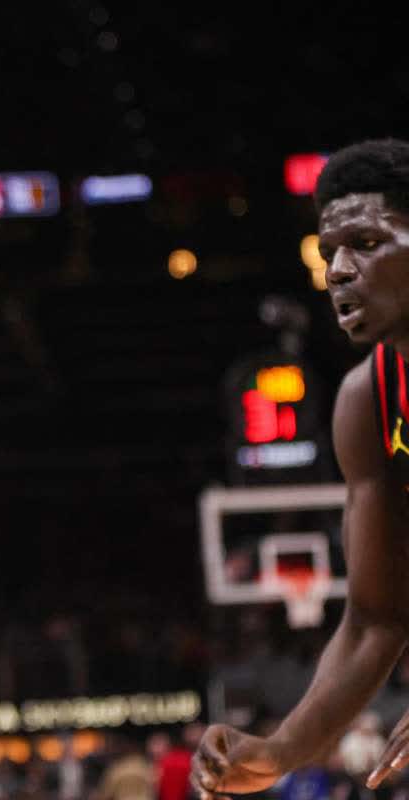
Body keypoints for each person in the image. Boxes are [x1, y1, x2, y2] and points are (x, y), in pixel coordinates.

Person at [191, 138, 409, 798]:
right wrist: (282, 748)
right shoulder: (368, 399)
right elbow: (377, 618)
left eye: (367, 243)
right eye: (327, 254)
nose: (338, 271)